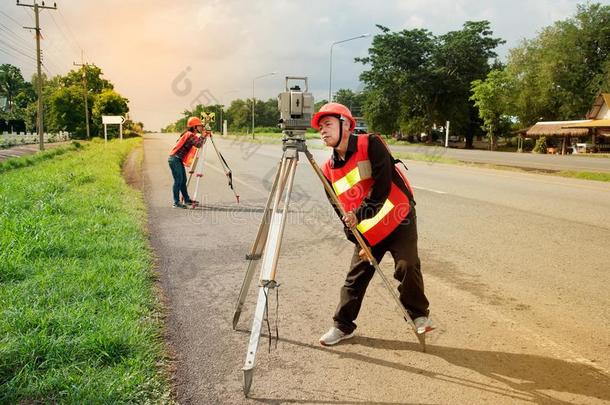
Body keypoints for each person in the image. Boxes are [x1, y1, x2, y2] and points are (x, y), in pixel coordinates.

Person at [312, 103, 434, 346]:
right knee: (355, 279)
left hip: (399, 218)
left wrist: (358, 214)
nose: (322, 131)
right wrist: (356, 239)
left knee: (407, 266)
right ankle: (342, 326)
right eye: (320, 128)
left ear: (345, 124)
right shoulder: (327, 168)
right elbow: (339, 209)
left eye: (328, 124)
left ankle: (419, 316)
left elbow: (382, 187)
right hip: (369, 231)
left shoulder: (371, 144)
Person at [168, 116, 206, 208]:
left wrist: (203, 136)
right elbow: (199, 144)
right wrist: (203, 136)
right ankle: (176, 202)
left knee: (183, 180)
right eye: (200, 126)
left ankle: (186, 200)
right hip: (174, 159)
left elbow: (199, 142)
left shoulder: (189, 134)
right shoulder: (189, 135)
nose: (201, 127)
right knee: (178, 180)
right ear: (194, 127)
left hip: (177, 159)